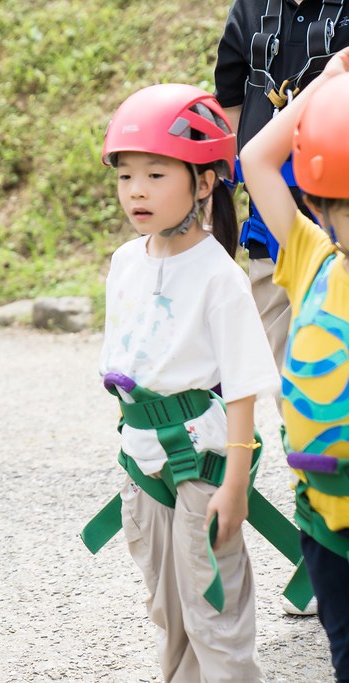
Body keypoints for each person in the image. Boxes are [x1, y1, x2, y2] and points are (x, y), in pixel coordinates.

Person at [96, 84, 281, 682]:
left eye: (155, 174)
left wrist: (234, 484)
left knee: (213, 614)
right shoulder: (126, 263)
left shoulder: (219, 275)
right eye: (126, 177)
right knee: (168, 612)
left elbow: (244, 388)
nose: (137, 191)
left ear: (203, 183)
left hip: (201, 465)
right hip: (141, 466)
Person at [241, 46, 349, 683]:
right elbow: (257, 158)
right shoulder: (312, 257)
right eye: (342, 203)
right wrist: (330, 83)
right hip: (326, 528)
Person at [215, 0, 349, 382]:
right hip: (273, 221)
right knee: (290, 371)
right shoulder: (250, 10)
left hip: (338, 202)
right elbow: (231, 104)